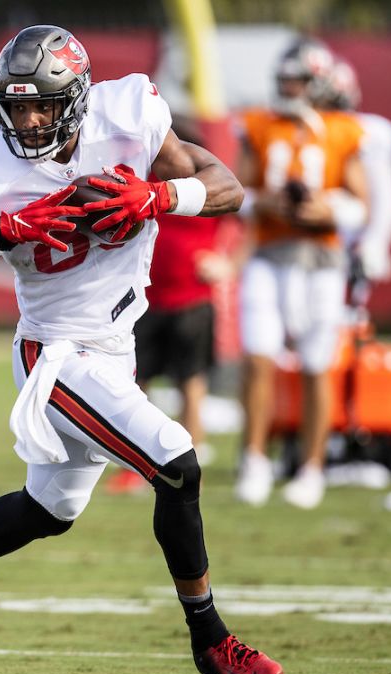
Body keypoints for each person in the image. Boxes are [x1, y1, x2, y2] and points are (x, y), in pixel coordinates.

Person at [0, 25, 283, 674]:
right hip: (55, 353)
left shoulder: (128, 119)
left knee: (49, 511)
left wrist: (159, 197)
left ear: (76, 98)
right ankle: (211, 638)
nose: (30, 120)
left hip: (115, 345)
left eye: (43, 104)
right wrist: (2, 230)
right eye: (17, 106)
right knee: (177, 464)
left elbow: (226, 186)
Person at [233, 39, 369, 509]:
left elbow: (358, 205)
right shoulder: (259, 124)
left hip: (320, 262)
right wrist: (268, 202)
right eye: (285, 79)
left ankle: (312, 468)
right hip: (269, 256)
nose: (289, 88)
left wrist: (322, 208)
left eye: (299, 79)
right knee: (257, 358)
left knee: (317, 365)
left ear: (319, 83)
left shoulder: (341, 130)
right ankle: (253, 459)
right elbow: (237, 193)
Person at [109, 117, 231, 493]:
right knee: (135, 385)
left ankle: (191, 461)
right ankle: (136, 465)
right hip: (146, 300)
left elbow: (244, 219)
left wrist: (228, 262)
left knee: (190, 382)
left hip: (191, 298)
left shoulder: (202, 184)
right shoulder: (142, 178)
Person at [318, 58, 391, 286]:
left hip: (345, 242)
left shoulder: (366, 133)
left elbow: (385, 197)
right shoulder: (293, 130)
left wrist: (374, 242)